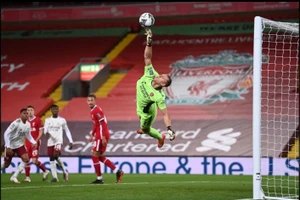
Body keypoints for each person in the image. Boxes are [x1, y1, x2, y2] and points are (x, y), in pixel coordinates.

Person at [136, 28, 176, 147]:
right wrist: (149, 41)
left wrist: (169, 129)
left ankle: (159, 137)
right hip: (140, 101)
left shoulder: (159, 96)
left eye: (162, 77)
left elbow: (165, 114)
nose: (159, 75)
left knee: (146, 128)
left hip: (147, 112)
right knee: (139, 116)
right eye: (161, 74)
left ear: (163, 84)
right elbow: (147, 58)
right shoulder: (151, 73)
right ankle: (144, 127)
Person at [87, 94, 124, 184]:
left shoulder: (96, 110)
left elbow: (103, 123)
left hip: (101, 135)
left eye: (92, 100)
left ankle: (99, 178)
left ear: (95, 101)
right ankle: (117, 171)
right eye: (88, 100)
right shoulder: (93, 111)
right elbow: (96, 124)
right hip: (99, 134)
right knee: (99, 156)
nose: (90, 102)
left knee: (94, 155)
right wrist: (92, 135)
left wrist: (103, 136)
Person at [1, 108, 37, 184]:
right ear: (20, 115)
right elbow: (6, 133)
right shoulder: (16, 123)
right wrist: (7, 146)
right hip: (10, 145)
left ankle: (14, 177)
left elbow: (28, 135)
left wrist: (34, 142)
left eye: (27, 113)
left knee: (26, 160)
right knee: (6, 165)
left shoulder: (28, 124)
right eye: (24, 113)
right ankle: (13, 176)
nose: (26, 115)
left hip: (19, 145)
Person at [44, 104, 73, 182]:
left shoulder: (62, 120)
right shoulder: (47, 120)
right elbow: (45, 129)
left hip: (58, 141)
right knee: (51, 158)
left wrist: (71, 141)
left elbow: (67, 130)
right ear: (51, 110)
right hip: (50, 141)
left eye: (56, 109)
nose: (55, 110)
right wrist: (45, 133)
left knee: (56, 155)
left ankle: (64, 172)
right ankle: (55, 177)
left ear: (58, 110)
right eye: (53, 109)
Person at [24, 105, 50, 182]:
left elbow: (41, 132)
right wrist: (24, 143)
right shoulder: (25, 121)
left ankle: (45, 171)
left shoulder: (38, 120)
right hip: (27, 143)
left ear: (34, 111)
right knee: (26, 160)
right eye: (28, 110)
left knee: (34, 161)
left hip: (35, 142)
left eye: (31, 110)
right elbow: (24, 133)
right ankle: (27, 177)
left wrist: (36, 141)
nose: (29, 112)